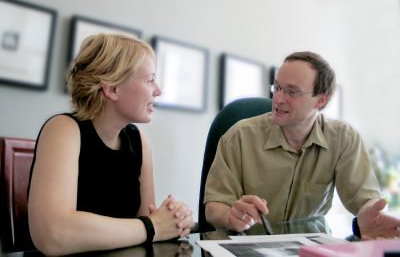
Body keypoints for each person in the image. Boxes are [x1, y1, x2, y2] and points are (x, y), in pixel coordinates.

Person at [28, 33, 195, 256]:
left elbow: (151, 227)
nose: (158, 90)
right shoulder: (63, 129)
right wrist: (153, 227)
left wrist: (173, 220)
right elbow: (52, 234)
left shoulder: (139, 140)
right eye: (149, 79)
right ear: (112, 89)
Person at [204, 51, 400, 240]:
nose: (278, 99)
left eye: (292, 91)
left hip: (310, 247)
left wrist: (372, 216)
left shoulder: (342, 138)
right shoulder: (239, 136)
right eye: (277, 88)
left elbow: (366, 199)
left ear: (321, 100)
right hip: (247, 247)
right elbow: (214, 205)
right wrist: (230, 215)